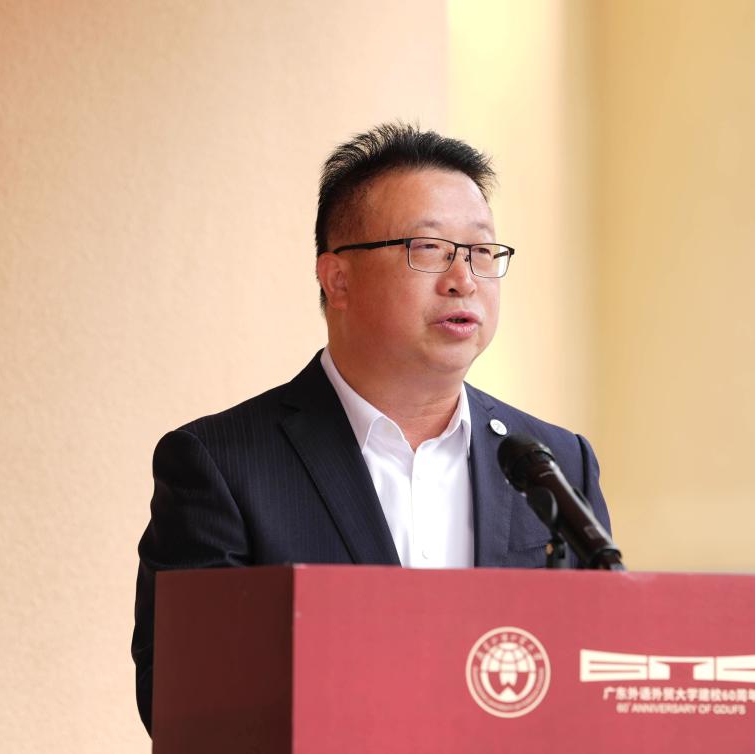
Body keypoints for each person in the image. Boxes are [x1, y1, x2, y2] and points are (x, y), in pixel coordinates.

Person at [130, 123, 612, 734]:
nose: (464, 279)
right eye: (429, 249)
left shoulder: (553, 463)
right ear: (338, 279)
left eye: (482, 252)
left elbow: (601, 674)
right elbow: (190, 702)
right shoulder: (222, 464)